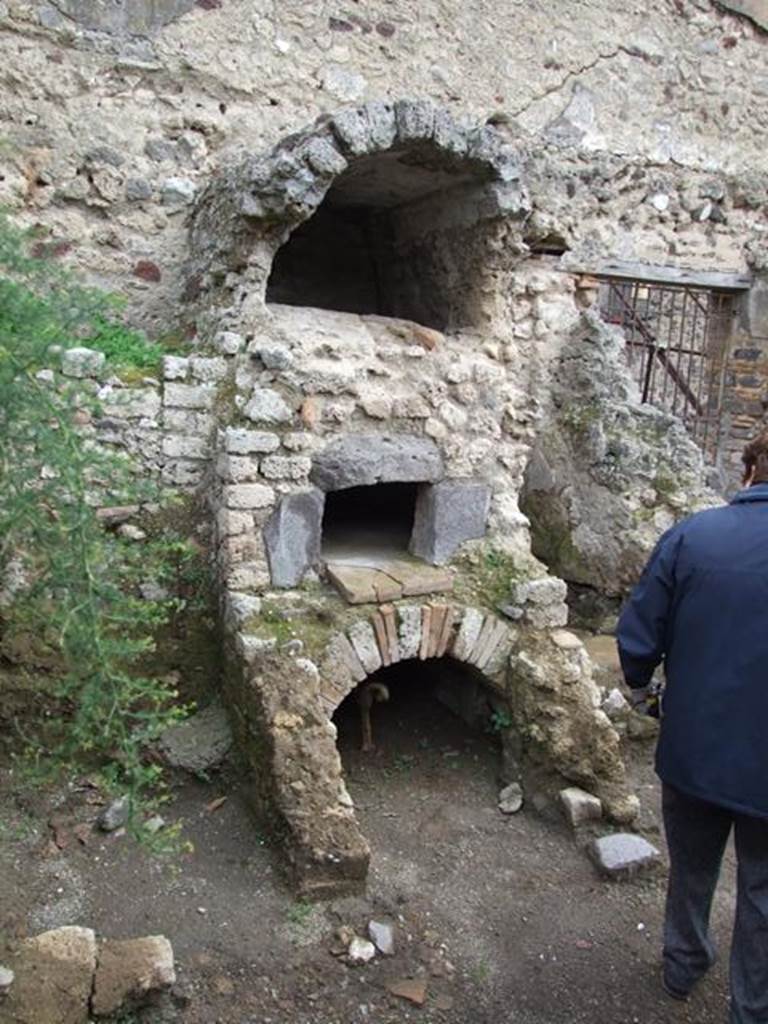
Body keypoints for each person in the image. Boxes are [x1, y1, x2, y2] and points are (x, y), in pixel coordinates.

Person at [616, 432, 768, 1024]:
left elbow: (639, 631)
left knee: (692, 868)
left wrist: (641, 687)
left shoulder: (693, 534)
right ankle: (752, 1007)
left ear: (749, 470)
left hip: (694, 746)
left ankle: (683, 966)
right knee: (762, 893)